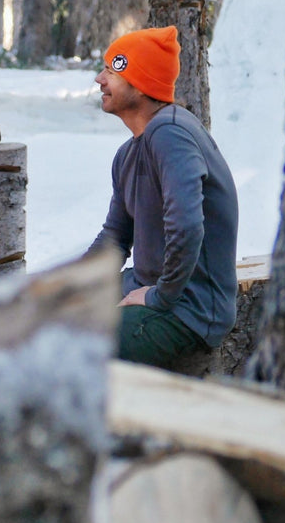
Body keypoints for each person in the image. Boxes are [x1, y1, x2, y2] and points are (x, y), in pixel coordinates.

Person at [88, 26, 239, 368]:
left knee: (72, 351)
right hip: (149, 288)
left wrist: (160, 295)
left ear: (140, 85)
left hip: (189, 310)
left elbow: (186, 227)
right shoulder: (130, 153)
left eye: (112, 71)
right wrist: (71, 284)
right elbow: (115, 237)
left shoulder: (171, 133)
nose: (99, 79)